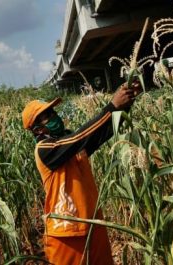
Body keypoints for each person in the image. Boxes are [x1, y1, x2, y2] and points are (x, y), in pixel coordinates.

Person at [21, 81, 141, 265]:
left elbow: (101, 133)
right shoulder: (45, 149)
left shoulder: (70, 144)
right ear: (37, 129)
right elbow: (79, 138)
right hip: (67, 233)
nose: (54, 116)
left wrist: (125, 104)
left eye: (53, 112)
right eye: (47, 116)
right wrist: (111, 106)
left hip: (93, 224)